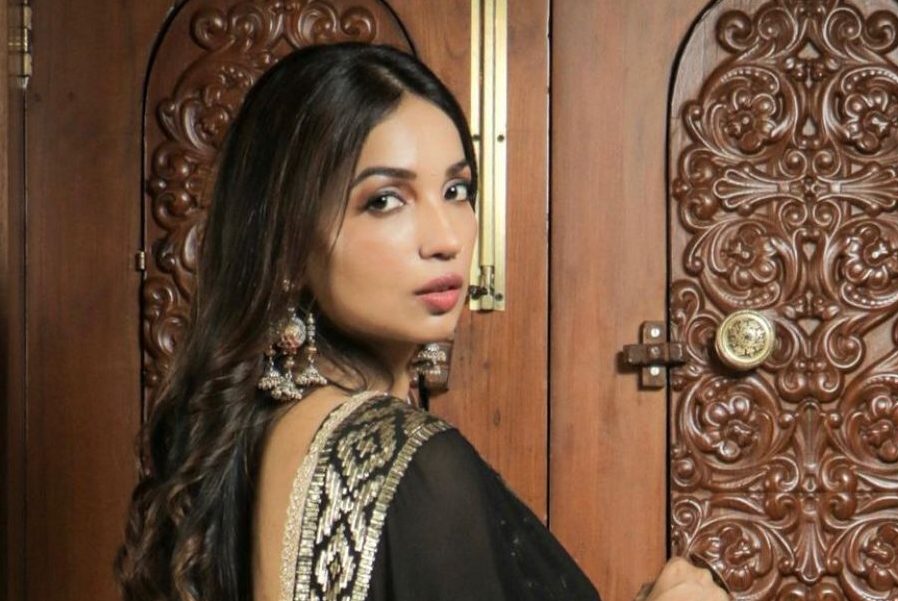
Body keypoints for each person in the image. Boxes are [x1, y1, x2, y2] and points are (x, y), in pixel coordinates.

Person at [114, 43, 729, 601]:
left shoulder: (260, 439)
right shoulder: (412, 462)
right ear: (288, 242)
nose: (446, 239)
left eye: (457, 191)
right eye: (385, 200)